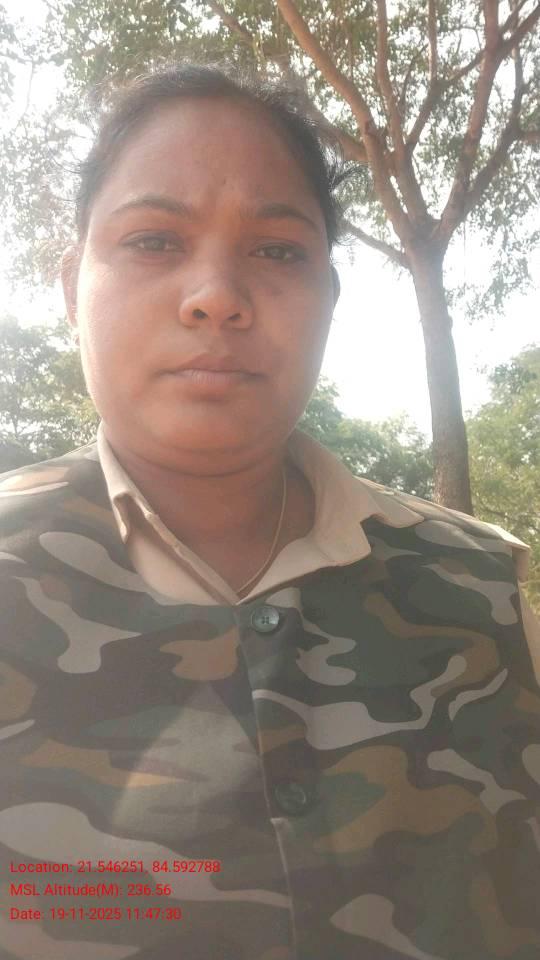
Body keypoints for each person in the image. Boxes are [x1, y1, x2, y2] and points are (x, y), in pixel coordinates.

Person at [0, 62, 539, 960]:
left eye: (279, 251)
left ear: (330, 296)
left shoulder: (486, 598)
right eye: (153, 240)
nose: (216, 296)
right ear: (70, 287)